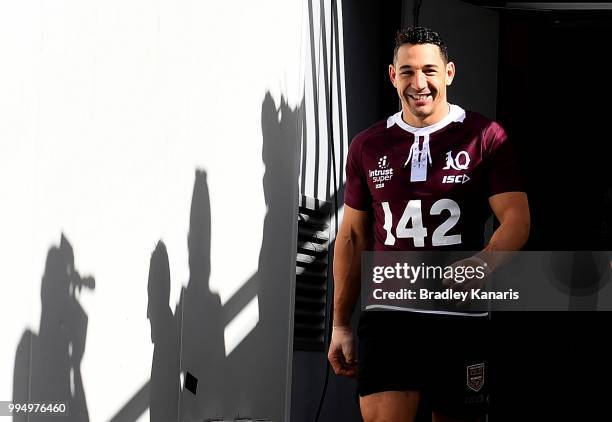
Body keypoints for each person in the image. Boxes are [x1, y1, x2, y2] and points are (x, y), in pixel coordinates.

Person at [328, 27, 530, 422]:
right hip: (390, 314)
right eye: (407, 72)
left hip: (460, 317)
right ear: (392, 76)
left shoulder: (485, 135)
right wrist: (340, 324)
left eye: (429, 71)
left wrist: (484, 263)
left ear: (449, 73)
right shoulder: (368, 145)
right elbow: (351, 236)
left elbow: (517, 219)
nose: (418, 83)